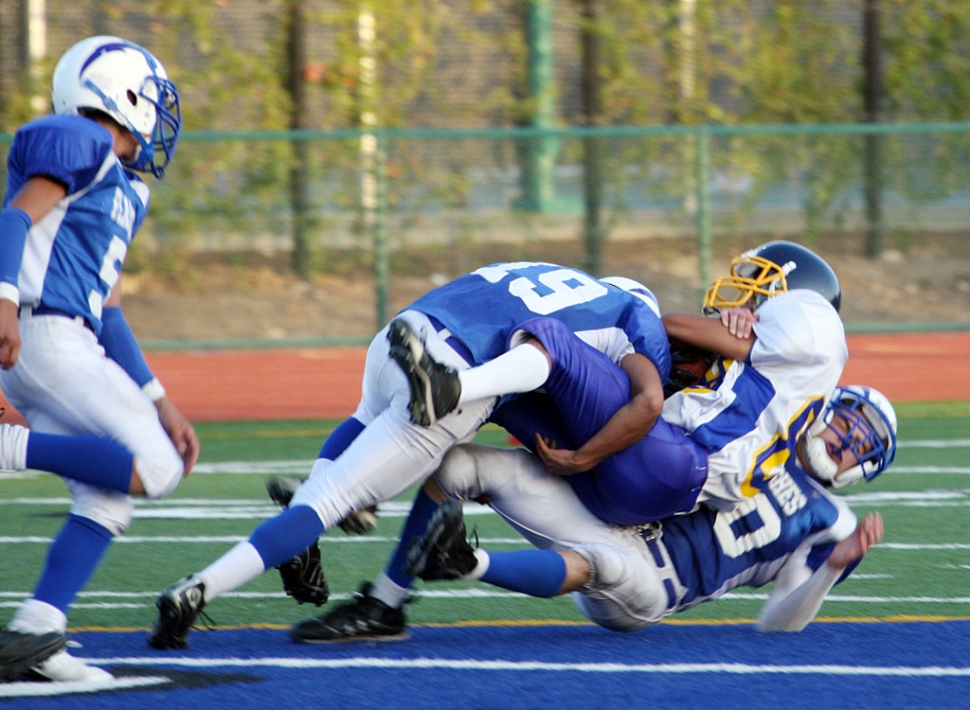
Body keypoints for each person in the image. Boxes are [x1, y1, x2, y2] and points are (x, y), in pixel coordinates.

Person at [287, 240, 851, 642]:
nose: (745, 299)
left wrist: (623, 314)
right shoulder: (765, 387)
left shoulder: (811, 339)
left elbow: (658, 338)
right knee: (473, 436)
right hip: (629, 478)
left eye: (763, 291)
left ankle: (432, 531)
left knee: (551, 345)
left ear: (797, 308)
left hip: (654, 515)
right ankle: (380, 595)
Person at [148, 262, 671, 649]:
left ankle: (353, 567)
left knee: (374, 436)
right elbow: (627, 390)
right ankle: (199, 588)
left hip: (403, 335)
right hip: (454, 373)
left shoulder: (554, 276)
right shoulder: (632, 315)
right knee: (326, 505)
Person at [376, 384, 897, 636]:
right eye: (846, 425)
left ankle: (466, 563)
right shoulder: (766, 424)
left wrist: (829, 571)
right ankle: (385, 603)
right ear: (826, 409)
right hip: (609, 514)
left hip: (654, 584)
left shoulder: (835, 524)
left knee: (599, 563)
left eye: (860, 445)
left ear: (863, 468)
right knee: (463, 465)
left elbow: (776, 625)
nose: (845, 442)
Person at [0, 36, 198, 683]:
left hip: (60, 342)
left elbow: (108, 309)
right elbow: (13, 221)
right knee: (158, 468)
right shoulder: (79, 141)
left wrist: (158, 396)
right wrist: (2, 299)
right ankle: (9, 449)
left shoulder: (123, 188)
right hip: (45, 335)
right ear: (125, 96)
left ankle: (37, 631)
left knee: (109, 500)